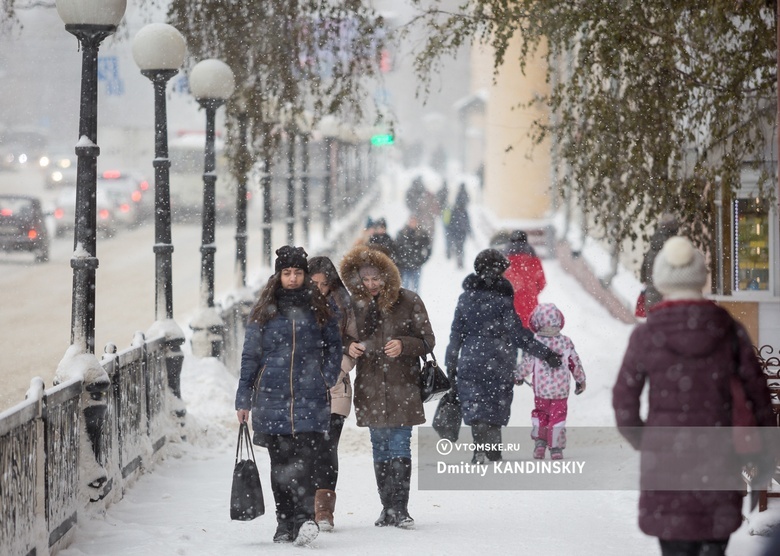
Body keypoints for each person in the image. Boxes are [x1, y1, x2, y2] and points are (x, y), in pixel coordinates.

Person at [613, 236, 775, 556]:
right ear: (701, 278)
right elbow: (759, 398)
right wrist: (764, 458)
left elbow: (624, 403)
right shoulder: (729, 330)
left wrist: (646, 440)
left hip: (667, 467)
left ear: (661, 280)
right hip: (720, 463)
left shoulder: (647, 335)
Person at [235, 246, 342, 547]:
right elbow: (250, 356)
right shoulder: (265, 310)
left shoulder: (320, 307)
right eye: (287, 273)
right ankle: (284, 522)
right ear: (279, 275)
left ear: (305, 274)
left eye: (297, 272)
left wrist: (326, 376)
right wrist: (244, 398)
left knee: (307, 462)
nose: (292, 278)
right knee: (280, 464)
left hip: (310, 397)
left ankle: (305, 519)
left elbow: (335, 346)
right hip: (272, 397)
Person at [339, 245, 436, 529]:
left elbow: (428, 340)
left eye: (376, 279)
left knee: (399, 444)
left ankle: (400, 508)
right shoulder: (353, 306)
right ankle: (386, 508)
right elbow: (339, 337)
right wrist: (350, 346)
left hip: (403, 385)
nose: (370, 285)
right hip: (370, 385)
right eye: (364, 280)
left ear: (387, 277)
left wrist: (405, 345)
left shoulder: (409, 300)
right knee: (380, 447)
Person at [445, 249, 563, 464]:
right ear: (500, 271)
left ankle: (480, 449)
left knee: (475, 404)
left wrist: (450, 364)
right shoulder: (503, 301)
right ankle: (494, 450)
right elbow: (519, 335)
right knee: (496, 403)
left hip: (470, 359)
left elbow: (455, 335)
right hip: (499, 359)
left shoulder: (465, 299)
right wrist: (546, 354)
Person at [307, 256, 358, 532]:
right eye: (314, 283)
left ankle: (324, 510)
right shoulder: (299, 305)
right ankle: (305, 505)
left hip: (337, 385)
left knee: (327, 448)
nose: (319, 289)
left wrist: (335, 369)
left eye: (324, 284)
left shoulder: (344, 305)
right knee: (307, 448)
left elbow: (355, 344)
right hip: (304, 388)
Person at [515, 302, 585, 460]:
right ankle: (556, 448)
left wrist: (518, 376)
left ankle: (540, 443)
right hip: (561, 390)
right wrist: (580, 380)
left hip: (541, 391)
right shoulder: (566, 342)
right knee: (557, 417)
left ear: (536, 322)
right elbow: (575, 363)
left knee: (541, 414)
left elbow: (526, 365)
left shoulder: (536, 343)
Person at [639, 213, 680, 314]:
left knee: (654, 325)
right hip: (667, 297)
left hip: (651, 296)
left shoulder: (653, 246)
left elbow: (643, 275)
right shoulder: (673, 248)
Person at [503, 230, 546, 326]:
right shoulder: (534, 259)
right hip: (530, 302)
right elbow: (542, 282)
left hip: (510, 303)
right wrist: (532, 291)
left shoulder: (504, 261)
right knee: (529, 330)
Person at [394, 214, 432, 292]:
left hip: (417, 265)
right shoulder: (402, 233)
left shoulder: (422, 234)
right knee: (406, 287)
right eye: (411, 221)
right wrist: (400, 260)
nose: (412, 223)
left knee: (416, 288)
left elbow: (428, 248)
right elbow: (396, 248)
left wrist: (423, 260)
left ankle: (416, 303)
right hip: (405, 265)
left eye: (414, 221)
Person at [446, 183, 472, 269]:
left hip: (456, 230)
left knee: (458, 246)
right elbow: (468, 222)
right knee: (460, 246)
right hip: (461, 230)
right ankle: (460, 259)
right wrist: (469, 231)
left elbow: (450, 222)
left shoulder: (455, 209)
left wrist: (450, 230)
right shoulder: (464, 210)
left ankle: (459, 259)